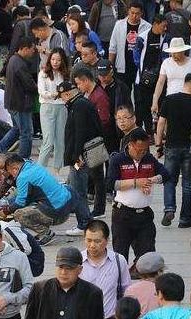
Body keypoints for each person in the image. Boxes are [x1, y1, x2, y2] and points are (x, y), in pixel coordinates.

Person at [107, 129, 169, 261]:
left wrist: (151, 180)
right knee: (120, 256)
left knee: (147, 257)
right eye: (138, 150)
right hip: (122, 214)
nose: (141, 153)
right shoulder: (118, 160)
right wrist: (135, 183)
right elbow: (111, 184)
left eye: (145, 150)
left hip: (144, 215)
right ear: (130, 145)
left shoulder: (149, 159)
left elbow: (166, 174)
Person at [3, 153, 91, 245]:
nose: (12, 176)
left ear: (13, 167)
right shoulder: (32, 165)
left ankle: (46, 233)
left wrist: (6, 211)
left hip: (56, 214)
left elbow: (20, 203)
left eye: (10, 172)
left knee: (19, 214)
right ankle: (85, 221)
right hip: (66, 206)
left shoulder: (23, 177)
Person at [156, 72, 191, 228]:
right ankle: (185, 218)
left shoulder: (169, 99)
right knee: (188, 183)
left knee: (169, 180)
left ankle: (169, 208)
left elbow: (161, 122)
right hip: (190, 146)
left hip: (171, 145)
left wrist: (158, 144)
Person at [57, 80, 101, 235]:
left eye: (61, 96)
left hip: (79, 157)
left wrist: (77, 155)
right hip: (79, 155)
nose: (62, 100)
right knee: (74, 186)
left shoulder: (79, 106)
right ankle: (84, 220)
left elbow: (81, 133)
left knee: (78, 190)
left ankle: (84, 223)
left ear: (67, 94)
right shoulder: (78, 104)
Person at [81, 219, 131, 319]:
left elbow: (126, 290)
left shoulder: (119, 260)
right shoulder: (77, 261)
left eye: (97, 241)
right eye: (88, 240)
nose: (92, 245)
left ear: (107, 240)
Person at [73, 67, 110, 218]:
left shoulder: (99, 96)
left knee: (97, 177)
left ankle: (99, 208)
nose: (78, 87)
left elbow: (104, 120)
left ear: (86, 80)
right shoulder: (88, 94)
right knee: (93, 176)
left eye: (79, 84)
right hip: (89, 142)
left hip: (95, 142)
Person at [133, 14, 168, 135]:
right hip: (144, 79)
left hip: (160, 78)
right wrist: (145, 73)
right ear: (155, 24)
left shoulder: (166, 38)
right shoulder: (142, 38)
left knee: (160, 104)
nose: (164, 29)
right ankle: (148, 131)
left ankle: (159, 131)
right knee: (145, 106)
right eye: (163, 26)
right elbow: (136, 57)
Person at [6, 37, 38, 159]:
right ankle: (23, 158)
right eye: (32, 49)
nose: (33, 52)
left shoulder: (14, 59)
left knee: (18, 129)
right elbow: (30, 85)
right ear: (25, 49)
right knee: (26, 133)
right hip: (20, 103)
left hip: (14, 102)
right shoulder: (19, 64)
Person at [37, 48, 69, 172]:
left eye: (59, 60)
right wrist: (55, 94)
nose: (55, 62)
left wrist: (61, 96)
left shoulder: (65, 74)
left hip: (61, 107)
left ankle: (57, 169)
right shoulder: (43, 73)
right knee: (48, 141)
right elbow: (41, 92)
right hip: (47, 107)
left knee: (60, 141)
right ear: (49, 59)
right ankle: (39, 169)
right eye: (53, 59)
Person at [109, 2, 152, 90]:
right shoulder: (119, 25)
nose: (134, 16)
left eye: (137, 13)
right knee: (124, 95)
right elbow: (113, 46)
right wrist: (110, 64)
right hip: (123, 66)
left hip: (139, 67)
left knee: (139, 95)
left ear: (141, 13)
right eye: (132, 13)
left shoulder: (147, 27)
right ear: (128, 11)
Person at [151, 37, 191, 114]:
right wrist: (155, 101)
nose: (173, 55)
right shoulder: (166, 63)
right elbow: (160, 83)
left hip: (188, 100)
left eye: (176, 52)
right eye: (172, 53)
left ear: (183, 51)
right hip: (171, 99)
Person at [97, 59, 132, 153]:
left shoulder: (121, 88)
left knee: (113, 158)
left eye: (105, 75)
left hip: (114, 129)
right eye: (101, 75)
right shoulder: (95, 86)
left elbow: (128, 108)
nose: (103, 78)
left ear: (111, 72)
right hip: (98, 129)